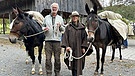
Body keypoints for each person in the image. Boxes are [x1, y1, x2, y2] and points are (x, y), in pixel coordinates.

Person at [61, 11, 91, 76]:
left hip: (79, 49)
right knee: (72, 64)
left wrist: (84, 47)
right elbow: (65, 37)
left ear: (78, 18)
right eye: (73, 16)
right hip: (71, 49)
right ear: (71, 18)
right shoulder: (68, 27)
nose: (74, 18)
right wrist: (67, 46)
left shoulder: (82, 27)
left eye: (76, 16)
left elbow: (85, 38)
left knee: (78, 64)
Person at [42, 3, 65, 76]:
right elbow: (42, 27)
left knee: (57, 59)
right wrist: (44, 28)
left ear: (57, 9)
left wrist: (60, 26)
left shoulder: (60, 18)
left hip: (57, 41)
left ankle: (57, 72)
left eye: (55, 7)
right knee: (48, 58)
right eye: (53, 7)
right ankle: (49, 73)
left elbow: (63, 29)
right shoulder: (46, 18)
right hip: (48, 40)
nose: (54, 9)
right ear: (51, 8)